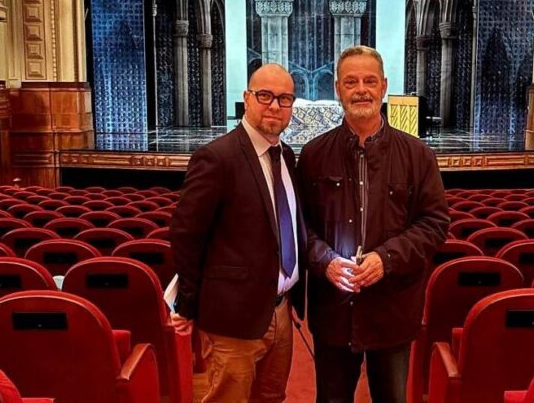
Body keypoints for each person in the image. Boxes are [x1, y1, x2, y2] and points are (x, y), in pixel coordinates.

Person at [297, 46, 449, 403]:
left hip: (392, 309)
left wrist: (387, 258)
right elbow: (299, 226)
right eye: (351, 82)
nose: (361, 89)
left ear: (384, 86)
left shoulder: (418, 155)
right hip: (334, 312)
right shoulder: (314, 155)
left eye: (369, 80)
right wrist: (325, 261)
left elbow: (434, 223)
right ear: (338, 88)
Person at [171, 63, 306, 402]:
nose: (274, 106)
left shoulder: (286, 156)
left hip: (280, 310)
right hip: (232, 318)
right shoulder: (217, 157)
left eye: (284, 99)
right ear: (247, 98)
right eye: (265, 96)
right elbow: (187, 235)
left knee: (272, 397)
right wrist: (187, 304)